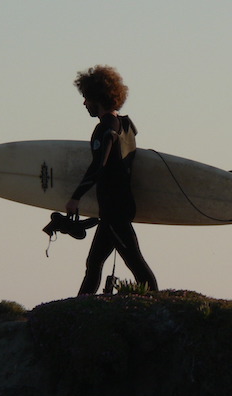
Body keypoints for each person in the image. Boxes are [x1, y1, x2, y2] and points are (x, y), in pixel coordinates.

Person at [66, 65, 158, 295]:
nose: (84, 103)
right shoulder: (126, 126)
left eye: (86, 98)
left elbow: (98, 166)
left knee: (135, 262)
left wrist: (75, 197)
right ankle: (81, 305)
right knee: (94, 263)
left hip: (114, 209)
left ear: (97, 98)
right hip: (117, 206)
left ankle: (157, 302)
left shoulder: (106, 129)